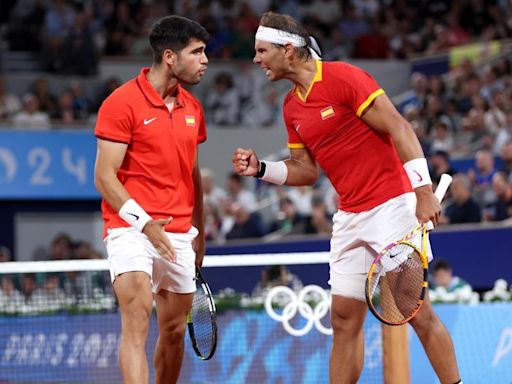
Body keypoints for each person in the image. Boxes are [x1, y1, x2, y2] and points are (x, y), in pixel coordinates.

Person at [231, 12, 461, 384]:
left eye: (262, 50)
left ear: (288, 50)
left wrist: (422, 191)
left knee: (416, 312)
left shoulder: (344, 77)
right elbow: (305, 171)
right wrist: (262, 169)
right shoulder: (291, 107)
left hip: (392, 205)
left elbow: (399, 127)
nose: (256, 59)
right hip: (350, 214)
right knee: (342, 318)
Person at [93, 16, 209, 384]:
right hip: (130, 228)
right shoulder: (121, 103)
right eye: (198, 52)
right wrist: (144, 224)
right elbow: (103, 177)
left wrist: (200, 234)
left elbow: (192, 178)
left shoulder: (193, 109)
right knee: (137, 316)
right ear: (171, 57)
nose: (205, 60)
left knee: (173, 333)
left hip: (178, 234)